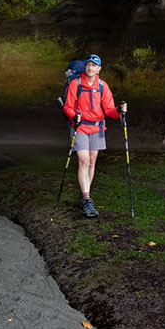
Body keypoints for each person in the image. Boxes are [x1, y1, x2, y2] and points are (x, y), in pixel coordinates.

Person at [63, 54, 127, 218]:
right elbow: (68, 107)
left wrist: (119, 111)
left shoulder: (102, 86)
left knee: (92, 161)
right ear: (85, 67)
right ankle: (87, 198)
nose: (90, 68)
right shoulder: (75, 84)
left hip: (97, 128)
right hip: (80, 127)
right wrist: (73, 115)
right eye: (88, 65)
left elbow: (109, 110)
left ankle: (85, 195)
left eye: (94, 65)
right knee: (84, 160)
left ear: (99, 69)